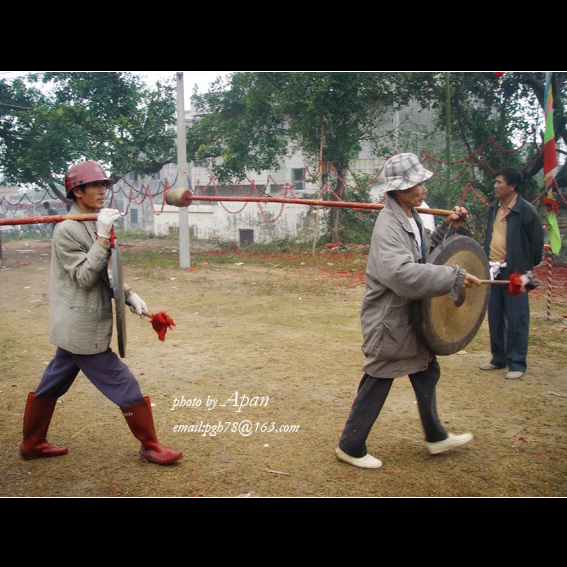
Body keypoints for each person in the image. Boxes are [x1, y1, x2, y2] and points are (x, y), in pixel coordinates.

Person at [19, 160, 183, 466]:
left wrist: (129, 295)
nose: (102, 190)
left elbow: (104, 273)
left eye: (104, 184)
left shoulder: (90, 222)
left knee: (52, 383)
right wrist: (102, 236)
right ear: (77, 192)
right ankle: (150, 445)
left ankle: (32, 442)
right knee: (124, 383)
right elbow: (84, 276)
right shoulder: (67, 230)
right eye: (94, 185)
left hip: (72, 327)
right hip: (81, 327)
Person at [336, 153, 480, 469]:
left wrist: (446, 227)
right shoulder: (388, 225)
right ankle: (350, 445)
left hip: (410, 315)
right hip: (389, 317)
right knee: (379, 376)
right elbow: (401, 274)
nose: (423, 189)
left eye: (422, 182)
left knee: (426, 369)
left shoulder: (410, 216)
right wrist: (453, 277)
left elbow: (423, 254)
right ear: (399, 190)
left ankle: (435, 436)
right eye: (416, 184)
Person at [480, 167, 544, 380]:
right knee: (495, 314)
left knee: (518, 316)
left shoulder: (527, 211)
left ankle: (517, 362)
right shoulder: (493, 208)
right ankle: (499, 357)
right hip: (494, 269)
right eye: (495, 182)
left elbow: (536, 247)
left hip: (518, 271)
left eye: (499, 182)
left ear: (512, 186)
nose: (495, 186)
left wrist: (523, 267)